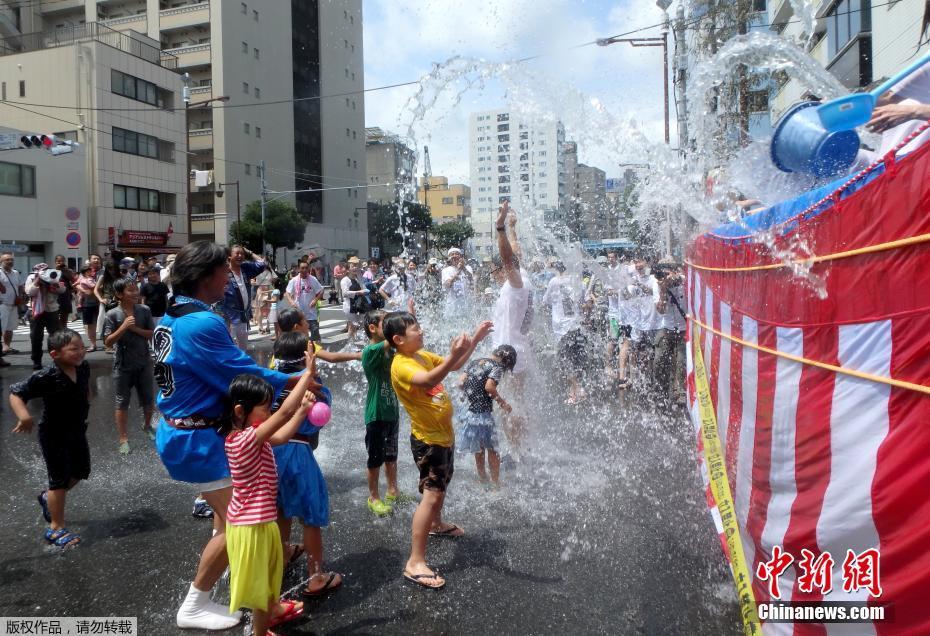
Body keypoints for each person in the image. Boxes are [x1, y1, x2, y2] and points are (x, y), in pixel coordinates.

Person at [153, 241, 314, 630]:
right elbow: (239, 373)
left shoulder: (171, 316)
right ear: (206, 276)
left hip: (182, 434)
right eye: (224, 271)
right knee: (238, 525)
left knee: (228, 523)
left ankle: (248, 591)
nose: (230, 277)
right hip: (197, 440)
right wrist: (294, 379)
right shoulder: (201, 322)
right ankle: (198, 603)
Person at [384, 311, 493, 589]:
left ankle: (436, 524)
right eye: (415, 329)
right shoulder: (402, 365)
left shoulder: (420, 354)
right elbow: (429, 381)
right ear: (398, 339)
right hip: (429, 440)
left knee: (441, 488)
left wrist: (475, 342)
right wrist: (455, 353)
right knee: (431, 496)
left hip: (443, 437)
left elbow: (453, 366)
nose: (421, 332)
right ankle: (415, 562)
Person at [221, 369, 317, 636]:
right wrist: (306, 375)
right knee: (261, 589)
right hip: (251, 527)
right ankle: (259, 632)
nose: (270, 412)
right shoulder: (243, 440)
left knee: (272, 573)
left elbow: (283, 435)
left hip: (262, 522)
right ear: (241, 411)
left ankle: (273, 609)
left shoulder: (254, 435)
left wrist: (303, 410)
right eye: (265, 407)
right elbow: (284, 413)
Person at [268, 332, 346, 599]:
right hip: (298, 452)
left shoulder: (267, 383)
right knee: (311, 517)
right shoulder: (314, 385)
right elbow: (318, 421)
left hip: (269, 451)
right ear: (306, 357)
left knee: (279, 511)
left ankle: (279, 563)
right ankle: (315, 576)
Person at [9, 329, 90, 548]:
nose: (80, 352)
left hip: (77, 430)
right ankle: (55, 528)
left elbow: (83, 391)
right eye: (73, 349)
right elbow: (16, 393)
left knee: (81, 472)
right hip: (54, 434)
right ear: (55, 354)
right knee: (59, 480)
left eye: (81, 347)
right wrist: (24, 416)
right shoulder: (46, 376)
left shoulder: (83, 368)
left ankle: (47, 498)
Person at [488, 202, 532, 451]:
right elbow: (516, 253)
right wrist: (513, 229)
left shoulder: (515, 283)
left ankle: (516, 451)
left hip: (509, 355)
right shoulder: (522, 277)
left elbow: (508, 257)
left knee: (509, 403)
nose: (493, 275)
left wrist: (500, 227)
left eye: (494, 270)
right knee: (517, 401)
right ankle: (522, 447)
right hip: (517, 350)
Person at [104, 278, 156, 454]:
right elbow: (108, 342)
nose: (135, 293)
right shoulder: (112, 314)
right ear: (119, 294)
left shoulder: (144, 311)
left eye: (136, 290)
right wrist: (124, 327)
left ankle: (147, 426)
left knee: (148, 399)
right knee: (122, 402)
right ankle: (123, 438)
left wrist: (135, 330)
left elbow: (151, 334)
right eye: (130, 290)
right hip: (122, 364)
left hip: (143, 361)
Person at [361, 310, 403, 517]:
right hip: (376, 412)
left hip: (391, 410)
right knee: (375, 458)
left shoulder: (389, 351)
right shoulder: (370, 351)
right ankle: (374, 497)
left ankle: (393, 490)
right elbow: (394, 339)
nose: (390, 328)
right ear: (372, 328)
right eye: (385, 324)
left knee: (391, 455)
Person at [456, 345, 516, 488]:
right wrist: (503, 404)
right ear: (507, 361)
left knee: (479, 447)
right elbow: (489, 387)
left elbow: (460, 383)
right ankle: (495, 483)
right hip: (483, 414)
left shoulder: (475, 362)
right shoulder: (497, 367)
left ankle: (483, 479)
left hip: (470, 412)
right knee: (493, 449)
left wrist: (472, 396)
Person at [543, 262, 588, 404]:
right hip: (576, 326)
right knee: (574, 360)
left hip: (562, 329)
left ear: (557, 269)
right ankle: (573, 391)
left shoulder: (554, 282)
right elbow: (584, 302)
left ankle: (578, 391)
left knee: (565, 362)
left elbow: (546, 301)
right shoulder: (578, 282)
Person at [652, 261, 687, 405]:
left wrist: (677, 279)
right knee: (659, 360)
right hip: (666, 327)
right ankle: (662, 388)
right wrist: (663, 291)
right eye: (663, 274)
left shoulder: (685, 282)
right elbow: (660, 310)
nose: (665, 277)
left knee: (681, 361)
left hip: (684, 328)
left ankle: (680, 392)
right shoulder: (658, 285)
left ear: (674, 272)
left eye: (668, 274)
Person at [222, 245, 267, 351]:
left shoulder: (245, 269)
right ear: (229, 256)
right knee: (230, 348)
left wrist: (249, 252)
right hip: (229, 317)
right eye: (237, 253)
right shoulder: (223, 271)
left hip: (243, 316)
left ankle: (242, 367)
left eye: (242, 254)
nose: (240, 256)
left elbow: (262, 264)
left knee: (243, 348)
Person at [25, 264, 64, 370]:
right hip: (35, 311)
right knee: (36, 337)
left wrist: (56, 284)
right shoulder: (32, 277)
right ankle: (36, 361)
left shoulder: (54, 276)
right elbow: (29, 292)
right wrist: (37, 282)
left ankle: (56, 359)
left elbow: (62, 290)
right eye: (43, 271)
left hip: (52, 310)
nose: (45, 273)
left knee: (55, 337)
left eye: (46, 270)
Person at [285, 260, 325, 343]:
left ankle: (317, 352)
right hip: (299, 312)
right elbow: (287, 293)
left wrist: (315, 300)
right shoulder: (294, 280)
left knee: (315, 334)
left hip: (311, 312)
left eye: (306, 268)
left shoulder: (312, 279)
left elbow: (321, 291)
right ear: (299, 269)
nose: (304, 270)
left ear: (309, 268)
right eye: (302, 268)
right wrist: (291, 302)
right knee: (299, 336)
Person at [0, 252, 25, 360]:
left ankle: (6, 346)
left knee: (10, 327)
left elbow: (20, 286)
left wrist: (21, 296)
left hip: (14, 304)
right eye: (7, 260)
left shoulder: (15, 273)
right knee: (1, 327)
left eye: (11, 260)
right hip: (2, 304)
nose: (10, 262)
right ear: (1, 262)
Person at [340, 256, 368, 345]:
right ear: (348, 269)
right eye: (353, 266)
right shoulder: (345, 280)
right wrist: (358, 292)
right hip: (349, 305)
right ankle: (351, 344)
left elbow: (363, 286)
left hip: (359, 304)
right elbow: (345, 293)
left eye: (357, 265)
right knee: (352, 326)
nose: (355, 268)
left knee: (361, 324)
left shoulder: (358, 277)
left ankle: (356, 342)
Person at [75, 262, 100, 352]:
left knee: (93, 325)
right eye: (89, 271)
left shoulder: (88, 278)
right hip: (88, 305)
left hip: (94, 303)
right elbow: (93, 287)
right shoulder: (87, 279)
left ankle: (94, 344)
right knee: (90, 325)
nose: (91, 272)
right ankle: (93, 344)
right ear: (85, 272)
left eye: (91, 270)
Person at [441, 248, 474, 312]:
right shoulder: (446, 270)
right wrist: (457, 273)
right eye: (452, 254)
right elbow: (447, 284)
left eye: (457, 254)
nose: (454, 256)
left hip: (466, 305)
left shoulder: (468, 268)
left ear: (460, 256)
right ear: (449, 258)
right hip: (451, 306)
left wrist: (463, 268)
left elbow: (471, 280)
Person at [53, 255, 76, 328]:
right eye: (58, 261)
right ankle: (58, 331)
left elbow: (73, 279)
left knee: (64, 316)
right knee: (55, 316)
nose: (60, 263)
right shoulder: (53, 272)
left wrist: (65, 270)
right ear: (55, 262)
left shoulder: (68, 271)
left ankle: (64, 330)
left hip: (65, 295)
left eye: (62, 261)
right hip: (55, 296)